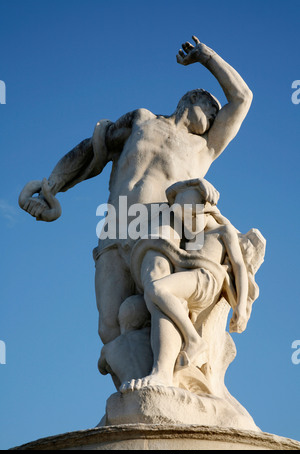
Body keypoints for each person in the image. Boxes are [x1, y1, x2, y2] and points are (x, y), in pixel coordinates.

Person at [19, 37, 253, 358]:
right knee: (110, 327)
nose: (214, 119)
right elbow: (91, 149)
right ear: (191, 101)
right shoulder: (142, 119)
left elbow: (242, 99)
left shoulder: (205, 148)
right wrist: (51, 186)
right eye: (211, 110)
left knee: (159, 302)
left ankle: (169, 373)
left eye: (217, 116)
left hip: (159, 231)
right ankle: (136, 397)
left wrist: (206, 57)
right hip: (116, 229)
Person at [122, 180, 250, 391]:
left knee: (156, 289)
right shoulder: (190, 237)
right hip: (192, 280)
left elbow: (239, 267)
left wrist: (242, 307)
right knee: (154, 299)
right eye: (183, 217)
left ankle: (193, 340)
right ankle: (163, 370)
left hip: (206, 280)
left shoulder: (223, 230)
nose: (189, 223)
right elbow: (171, 191)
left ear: (205, 210)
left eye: (192, 215)